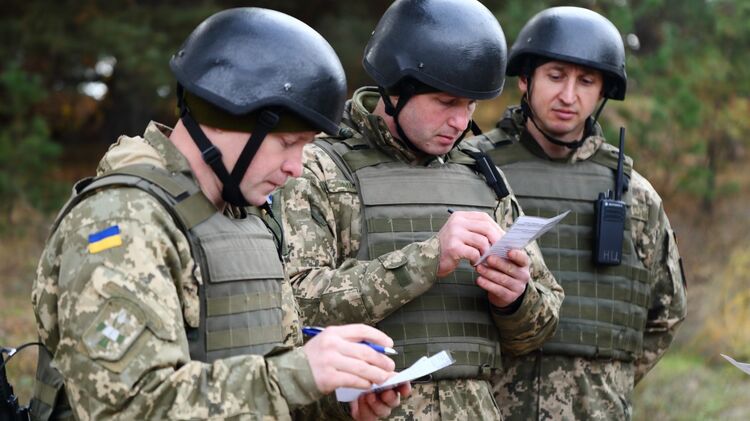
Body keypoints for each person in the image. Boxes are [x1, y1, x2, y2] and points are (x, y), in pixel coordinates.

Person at [28, 8, 410, 420]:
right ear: (227, 117)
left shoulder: (245, 217)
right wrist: (299, 374)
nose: (297, 168)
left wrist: (335, 398)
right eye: (287, 143)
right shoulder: (123, 220)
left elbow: (255, 375)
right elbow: (129, 407)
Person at [274, 0, 564, 419]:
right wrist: (427, 259)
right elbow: (293, 310)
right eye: (446, 102)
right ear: (397, 86)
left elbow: (537, 332)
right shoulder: (315, 167)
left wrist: (515, 299)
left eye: (470, 106)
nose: (461, 122)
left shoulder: (482, 175)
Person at [467, 6, 688, 420]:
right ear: (525, 80)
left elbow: (667, 312)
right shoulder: (469, 171)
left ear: (602, 91)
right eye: (555, 76)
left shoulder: (635, 196)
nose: (569, 96)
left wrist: (607, 384)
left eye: (586, 81)